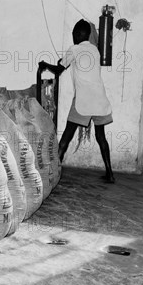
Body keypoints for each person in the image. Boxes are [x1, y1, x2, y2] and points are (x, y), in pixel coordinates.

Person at [39, 19, 115, 183]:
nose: (73, 36)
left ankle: (53, 175)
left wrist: (45, 64)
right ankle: (110, 173)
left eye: (74, 33)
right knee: (101, 137)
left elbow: (58, 70)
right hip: (99, 98)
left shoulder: (74, 49)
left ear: (80, 34)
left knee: (67, 135)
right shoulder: (95, 50)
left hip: (83, 99)